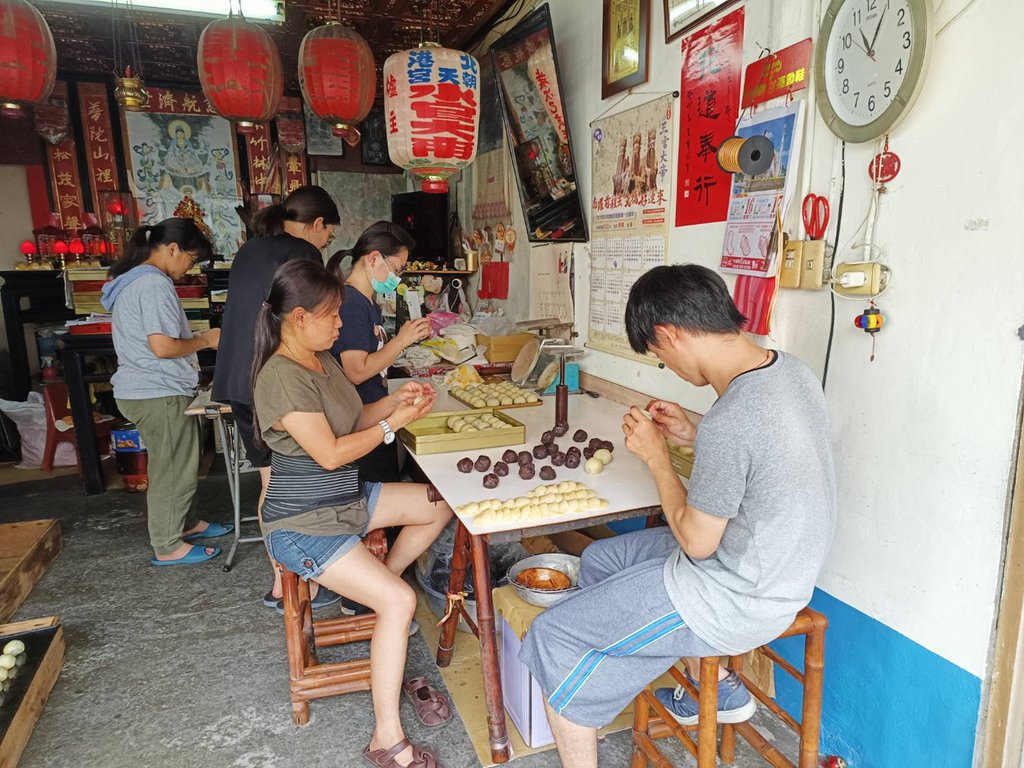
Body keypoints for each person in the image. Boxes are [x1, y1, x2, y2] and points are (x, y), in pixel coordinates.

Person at [518, 265, 836, 768]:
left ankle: (586, 699)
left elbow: (695, 542)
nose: (666, 367)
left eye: (659, 356)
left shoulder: (734, 419)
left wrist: (658, 459)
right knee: (601, 559)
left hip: (738, 594)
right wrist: (694, 432)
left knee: (554, 638)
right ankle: (718, 689)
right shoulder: (788, 371)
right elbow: (759, 453)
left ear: (668, 334)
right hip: (777, 563)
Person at [251, 259, 453, 768]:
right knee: (399, 603)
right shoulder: (281, 375)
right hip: (303, 523)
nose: (341, 325)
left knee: (439, 505)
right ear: (298, 318)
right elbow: (331, 452)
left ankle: (381, 585)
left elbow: (353, 416)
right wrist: (393, 427)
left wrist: (394, 403)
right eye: (333, 316)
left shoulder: (322, 360)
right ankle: (386, 738)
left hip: (344, 502)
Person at [212, 185, 341, 610]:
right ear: (317, 224)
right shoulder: (304, 254)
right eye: (329, 234)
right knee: (285, 480)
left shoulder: (251, 249)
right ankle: (291, 581)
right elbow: (310, 324)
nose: (326, 243)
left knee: (269, 476)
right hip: (272, 379)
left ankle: (287, 579)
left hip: (238, 378)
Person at [101, 218, 229, 566]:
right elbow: (162, 347)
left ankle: (184, 524)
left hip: (149, 387)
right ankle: (167, 544)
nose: (190, 268)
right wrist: (206, 339)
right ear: (172, 249)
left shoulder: (136, 281)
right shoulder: (153, 285)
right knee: (173, 469)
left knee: (178, 463)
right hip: (157, 390)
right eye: (191, 258)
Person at [326, 221, 430, 483]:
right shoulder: (350, 304)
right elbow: (357, 371)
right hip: (360, 422)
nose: (396, 277)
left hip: (374, 413)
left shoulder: (366, 302)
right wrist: (402, 341)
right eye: (395, 269)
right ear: (374, 258)